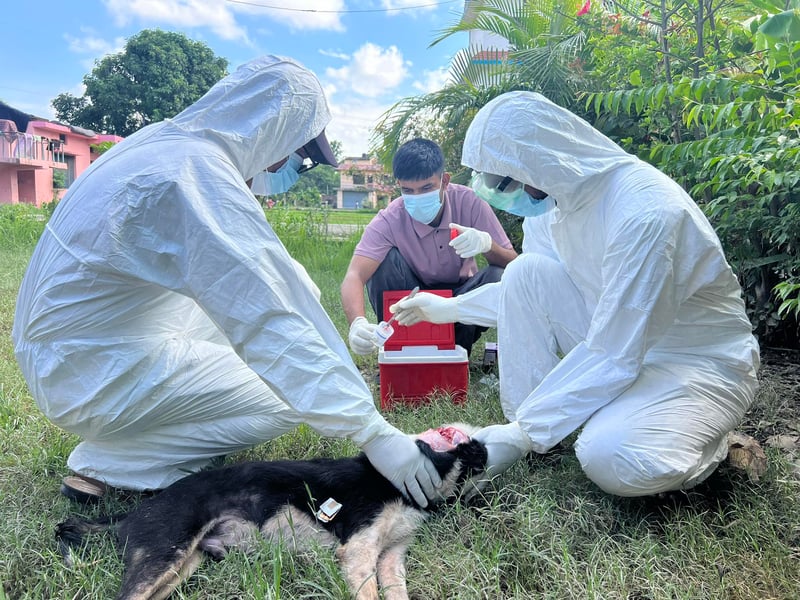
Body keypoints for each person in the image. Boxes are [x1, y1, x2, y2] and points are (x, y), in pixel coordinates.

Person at [12, 55, 440, 507]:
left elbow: (271, 284)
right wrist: (373, 433)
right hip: (89, 370)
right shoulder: (194, 176)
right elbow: (269, 317)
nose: (290, 170)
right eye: (298, 156)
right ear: (272, 133)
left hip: (78, 349)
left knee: (294, 283)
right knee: (285, 395)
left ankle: (143, 434)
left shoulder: (164, 143)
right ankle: (115, 462)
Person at [390, 91, 760, 497]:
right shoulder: (556, 205)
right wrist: (448, 308)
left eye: (501, 181)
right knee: (526, 269)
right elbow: (526, 292)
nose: (494, 193)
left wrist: (523, 431)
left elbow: (614, 350)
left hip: (696, 360)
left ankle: (707, 442)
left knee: (611, 456)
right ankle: (538, 437)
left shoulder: (645, 213)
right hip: (623, 340)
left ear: (539, 163)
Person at [341, 138, 517, 356]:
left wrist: (487, 245)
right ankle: (398, 346)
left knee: (499, 275)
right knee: (383, 264)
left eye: (426, 188)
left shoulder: (470, 202)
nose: (417, 198)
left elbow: (515, 265)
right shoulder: (390, 218)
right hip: (413, 299)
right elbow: (355, 275)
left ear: (444, 181)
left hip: (461, 299)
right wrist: (357, 323)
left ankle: (457, 349)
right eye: (408, 190)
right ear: (399, 186)